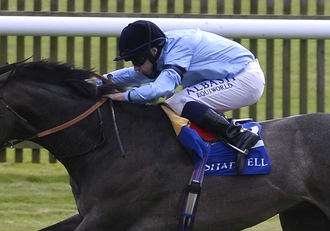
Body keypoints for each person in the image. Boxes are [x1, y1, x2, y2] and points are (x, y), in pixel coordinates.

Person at [102, 20, 265, 172]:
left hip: (245, 79)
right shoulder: (161, 51)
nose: (136, 67)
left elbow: (160, 89)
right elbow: (135, 75)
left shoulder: (180, 48)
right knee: (177, 103)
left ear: (153, 51)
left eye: (137, 60)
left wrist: (123, 96)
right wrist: (99, 80)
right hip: (234, 77)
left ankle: (239, 136)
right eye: (132, 61)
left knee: (178, 102)